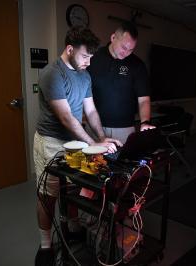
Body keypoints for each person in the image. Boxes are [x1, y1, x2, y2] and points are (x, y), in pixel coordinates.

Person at [33, 26, 121, 265]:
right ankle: (45, 245)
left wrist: (102, 138)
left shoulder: (84, 75)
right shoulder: (52, 73)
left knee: (73, 188)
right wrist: (93, 144)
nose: (88, 62)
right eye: (85, 56)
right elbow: (67, 118)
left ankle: (72, 228)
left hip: (75, 141)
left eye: (91, 57)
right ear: (70, 49)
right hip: (51, 142)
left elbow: (90, 111)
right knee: (49, 195)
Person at [88, 21, 155, 144]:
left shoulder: (138, 65)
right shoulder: (93, 58)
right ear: (113, 37)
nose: (126, 53)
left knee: (122, 162)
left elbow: (144, 99)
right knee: (94, 162)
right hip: (94, 128)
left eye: (131, 50)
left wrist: (145, 122)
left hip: (125, 129)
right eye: (124, 47)